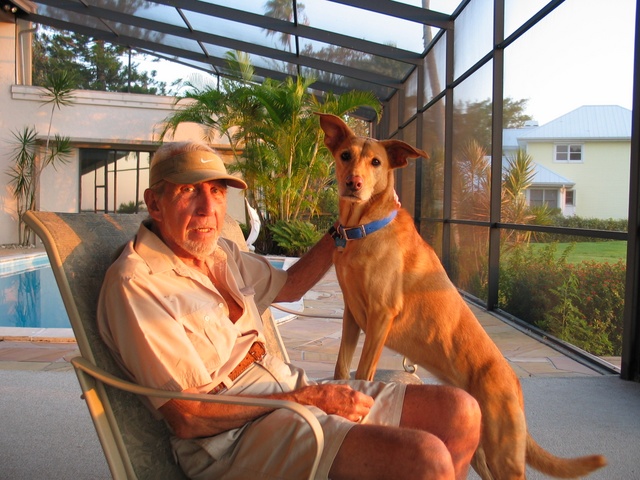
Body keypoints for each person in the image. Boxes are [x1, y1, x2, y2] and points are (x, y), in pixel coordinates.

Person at [97, 141, 481, 480]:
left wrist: (345, 228)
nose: (207, 208)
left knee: (460, 410)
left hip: (288, 389)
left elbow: (292, 285)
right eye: (188, 191)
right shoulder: (138, 283)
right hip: (231, 439)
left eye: (216, 191)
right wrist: (305, 401)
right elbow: (190, 416)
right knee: (426, 459)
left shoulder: (220, 254)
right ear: (154, 203)